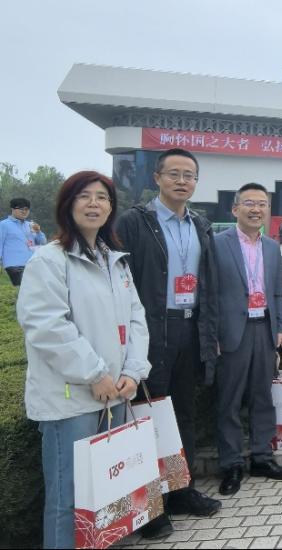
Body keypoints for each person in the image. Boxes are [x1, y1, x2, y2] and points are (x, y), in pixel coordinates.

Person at [17, 171, 150, 549]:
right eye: (84, 196)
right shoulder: (49, 260)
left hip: (116, 393)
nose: (94, 204)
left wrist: (133, 371)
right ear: (67, 204)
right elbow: (46, 326)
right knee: (69, 500)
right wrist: (94, 373)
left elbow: (136, 319)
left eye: (102, 197)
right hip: (71, 400)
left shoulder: (115, 260)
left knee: (110, 495)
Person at [114, 148, 221, 537]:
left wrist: (211, 334)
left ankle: (181, 489)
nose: (181, 181)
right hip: (152, 332)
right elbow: (120, 282)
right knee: (147, 416)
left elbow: (210, 284)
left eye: (189, 175)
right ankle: (150, 505)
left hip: (190, 329)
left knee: (182, 414)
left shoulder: (201, 225)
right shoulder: (134, 222)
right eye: (173, 173)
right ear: (156, 178)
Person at [213, 183, 282, 496]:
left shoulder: (272, 248)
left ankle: (262, 456)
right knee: (229, 401)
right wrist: (213, 334)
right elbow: (209, 293)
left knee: (263, 396)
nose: (256, 209)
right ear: (235, 209)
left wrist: (281, 328)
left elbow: (278, 293)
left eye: (262, 204)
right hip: (232, 331)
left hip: (264, 328)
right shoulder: (217, 244)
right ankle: (231, 464)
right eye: (249, 203)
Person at [1, 198, 47, 286]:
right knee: (25, 289)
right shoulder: (3, 225)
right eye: (21, 209)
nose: (24, 211)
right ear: (12, 209)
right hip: (14, 266)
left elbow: (43, 242)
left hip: (32, 264)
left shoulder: (30, 224)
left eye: (26, 209)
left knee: (36, 289)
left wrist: (38, 232)